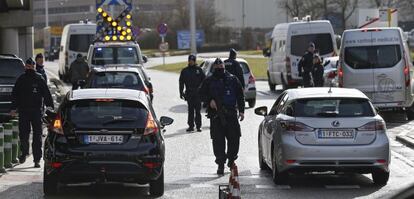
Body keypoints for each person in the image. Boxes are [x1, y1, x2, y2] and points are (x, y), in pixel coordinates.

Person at [199, 58, 245, 175]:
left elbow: (240, 95)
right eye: (217, 67)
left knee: (234, 139)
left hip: (231, 115)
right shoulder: (209, 80)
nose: (220, 68)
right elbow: (201, 94)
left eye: (221, 67)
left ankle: (231, 159)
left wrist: (242, 111)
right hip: (216, 116)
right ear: (214, 68)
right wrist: (209, 101)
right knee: (218, 141)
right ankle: (220, 164)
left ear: (224, 67)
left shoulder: (233, 79)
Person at [10, 58, 54, 168]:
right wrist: (13, 108)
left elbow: (46, 94)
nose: (29, 68)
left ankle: (37, 159)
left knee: (37, 136)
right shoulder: (21, 79)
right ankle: (24, 153)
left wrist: (50, 108)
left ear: (33, 67)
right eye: (27, 66)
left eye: (30, 66)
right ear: (25, 67)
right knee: (24, 135)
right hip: (24, 111)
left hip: (36, 111)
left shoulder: (39, 78)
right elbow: (15, 95)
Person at [179, 54, 205, 132]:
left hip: (198, 94)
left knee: (198, 111)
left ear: (195, 61)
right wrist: (181, 92)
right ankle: (191, 126)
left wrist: (203, 91)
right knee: (190, 111)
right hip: (189, 93)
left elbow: (204, 81)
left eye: (192, 61)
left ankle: (198, 126)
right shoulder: (185, 71)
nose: (191, 62)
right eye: (190, 60)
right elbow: (181, 82)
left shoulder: (199, 70)